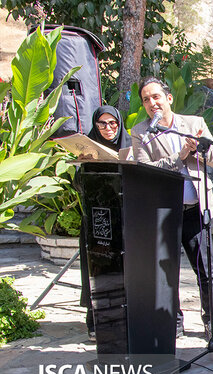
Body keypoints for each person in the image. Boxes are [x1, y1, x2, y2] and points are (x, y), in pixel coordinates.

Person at [130, 77, 213, 342]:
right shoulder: (140, 132)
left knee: (205, 271)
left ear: (168, 98)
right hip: (164, 212)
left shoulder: (194, 124)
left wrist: (200, 150)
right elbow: (144, 169)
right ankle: (174, 322)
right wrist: (180, 155)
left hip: (196, 209)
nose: (152, 103)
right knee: (166, 272)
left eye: (156, 97)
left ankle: (211, 323)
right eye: (146, 99)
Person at [80, 106, 132, 341]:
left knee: (126, 272)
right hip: (96, 221)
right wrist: (84, 166)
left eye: (113, 123)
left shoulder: (130, 145)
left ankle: (127, 318)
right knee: (96, 271)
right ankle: (95, 321)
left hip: (125, 221)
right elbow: (78, 186)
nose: (108, 128)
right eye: (102, 124)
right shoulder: (88, 146)